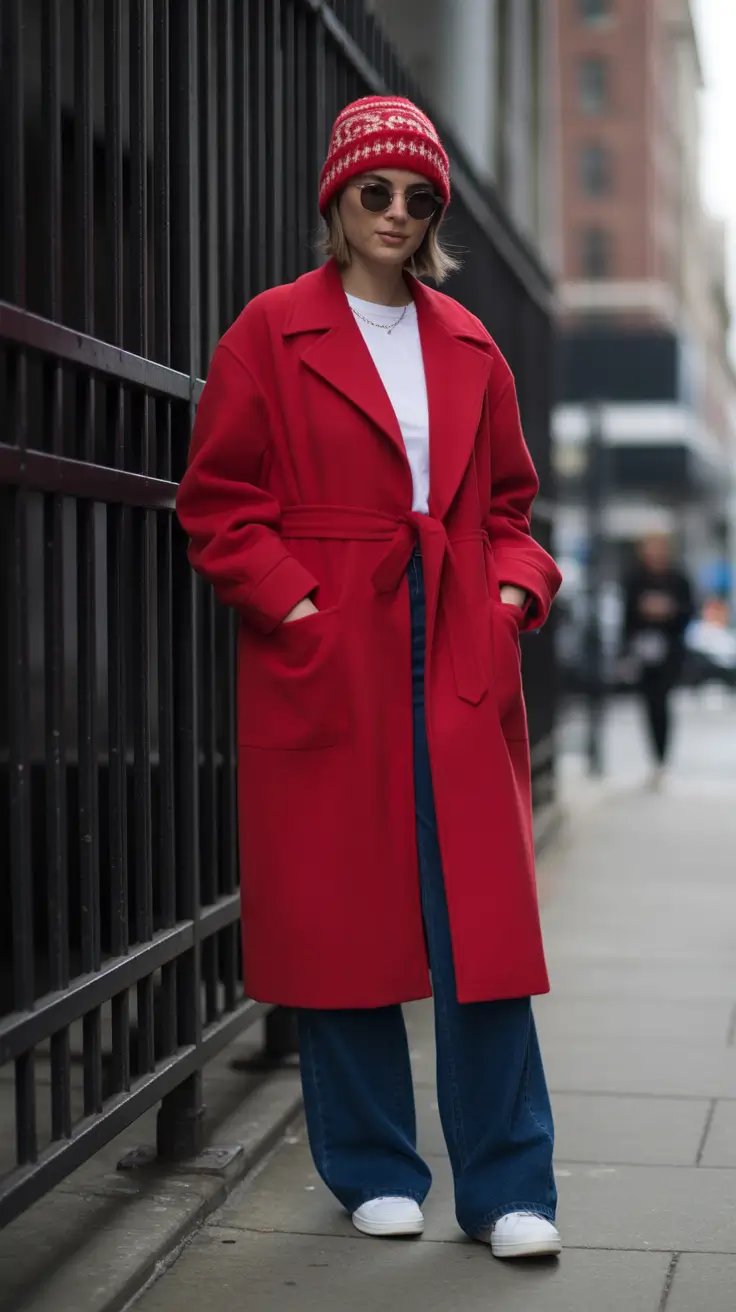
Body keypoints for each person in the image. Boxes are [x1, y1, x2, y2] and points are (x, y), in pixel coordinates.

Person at [177, 96, 563, 1259]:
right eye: (374, 192)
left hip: (450, 645)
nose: (396, 213)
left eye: (417, 197)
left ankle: (506, 1187)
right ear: (336, 201)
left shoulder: (471, 342)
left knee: (478, 930)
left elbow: (508, 510)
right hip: (327, 648)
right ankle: (369, 1166)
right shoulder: (269, 332)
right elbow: (218, 505)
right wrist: (297, 603)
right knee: (339, 914)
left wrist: (506, 598)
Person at [622, 534, 694, 785]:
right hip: (643, 651)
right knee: (649, 704)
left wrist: (668, 610)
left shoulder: (678, 579)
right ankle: (655, 758)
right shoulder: (635, 579)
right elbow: (627, 616)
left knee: (662, 703)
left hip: (669, 652)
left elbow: (688, 612)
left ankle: (662, 760)